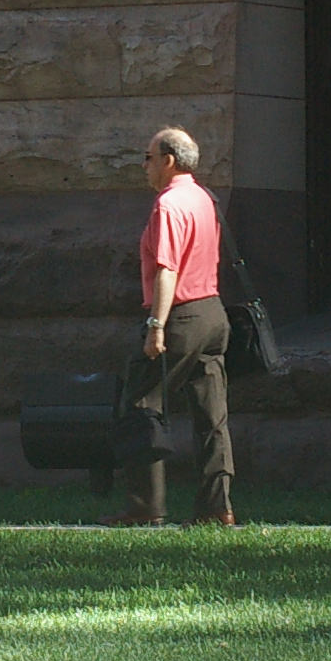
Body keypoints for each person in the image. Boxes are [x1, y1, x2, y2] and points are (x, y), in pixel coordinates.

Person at [102, 126, 235, 528]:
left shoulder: (168, 204)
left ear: (168, 161)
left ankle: (145, 507)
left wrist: (156, 325)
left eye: (148, 158)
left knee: (141, 403)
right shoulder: (204, 198)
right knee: (212, 415)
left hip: (181, 316)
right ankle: (217, 507)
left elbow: (167, 269)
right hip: (213, 313)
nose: (145, 166)